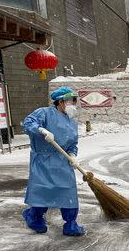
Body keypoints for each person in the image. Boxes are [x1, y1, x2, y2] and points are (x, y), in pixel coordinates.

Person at [21, 86, 85, 236]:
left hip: (62, 162)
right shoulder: (44, 113)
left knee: (67, 192)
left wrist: (73, 156)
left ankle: (70, 224)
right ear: (59, 102)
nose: (72, 104)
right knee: (42, 191)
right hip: (43, 160)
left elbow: (72, 144)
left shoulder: (72, 122)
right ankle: (34, 217)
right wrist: (42, 130)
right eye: (69, 101)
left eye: (74, 101)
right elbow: (28, 123)